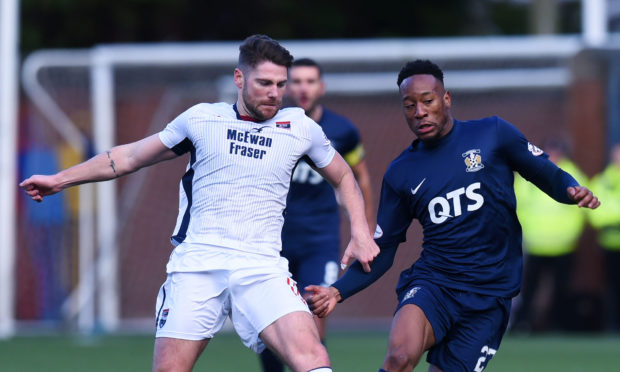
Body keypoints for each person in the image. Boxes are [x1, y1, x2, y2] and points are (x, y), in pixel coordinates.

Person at [19, 34, 379, 372]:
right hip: (198, 264)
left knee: (313, 356)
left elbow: (345, 175)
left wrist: (361, 232)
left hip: (262, 265)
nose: (275, 93)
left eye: (280, 85)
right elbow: (129, 157)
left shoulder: (299, 126)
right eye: (264, 84)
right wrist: (60, 179)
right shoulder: (202, 118)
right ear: (239, 78)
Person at [306, 59, 600, 372]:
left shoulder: (493, 134)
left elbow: (544, 172)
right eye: (409, 105)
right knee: (398, 358)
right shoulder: (401, 173)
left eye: (427, 101)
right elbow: (384, 249)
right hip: (434, 283)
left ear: (446, 99)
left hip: (490, 297)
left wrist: (570, 190)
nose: (419, 112)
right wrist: (339, 289)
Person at [259, 58, 374, 372]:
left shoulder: (342, 131)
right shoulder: (268, 125)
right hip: (273, 243)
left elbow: (359, 176)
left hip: (319, 240)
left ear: (321, 87)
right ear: (285, 87)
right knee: (270, 327)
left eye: (310, 81)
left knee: (314, 315)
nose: (303, 88)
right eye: (295, 81)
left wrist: (363, 227)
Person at [511, 138, 588, 332]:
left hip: (563, 244)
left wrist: (571, 234)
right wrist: (526, 232)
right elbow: (518, 205)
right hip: (536, 243)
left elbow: (581, 209)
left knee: (562, 288)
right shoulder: (529, 175)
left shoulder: (574, 175)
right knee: (529, 288)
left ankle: (559, 324)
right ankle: (524, 324)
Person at [588, 143, 620, 332]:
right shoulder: (602, 182)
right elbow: (595, 213)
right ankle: (612, 325)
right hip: (610, 245)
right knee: (612, 288)